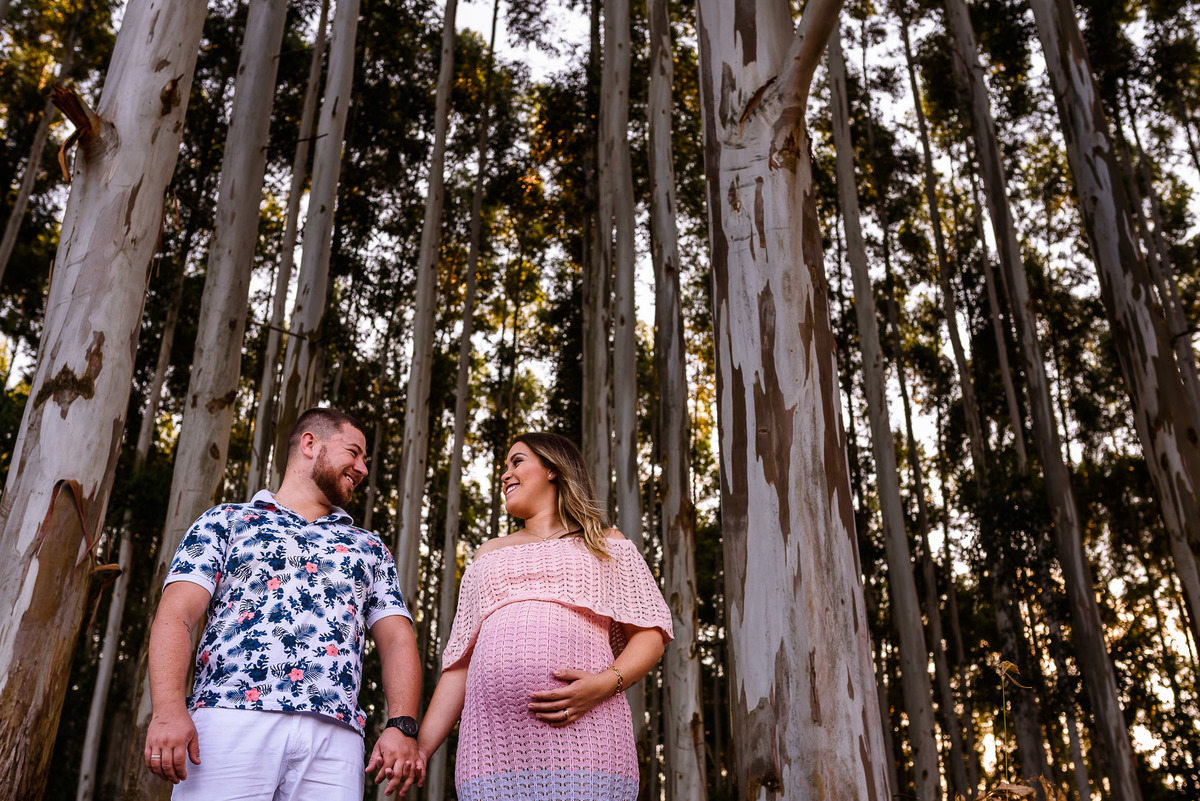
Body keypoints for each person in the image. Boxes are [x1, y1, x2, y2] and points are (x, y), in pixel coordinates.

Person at [144, 407, 422, 799]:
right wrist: (168, 711)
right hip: (229, 717)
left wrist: (402, 725)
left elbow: (397, 639)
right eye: (354, 452)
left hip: (336, 738)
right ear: (310, 444)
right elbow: (176, 615)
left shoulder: (369, 547)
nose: (362, 468)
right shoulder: (224, 521)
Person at [414, 432, 673, 799]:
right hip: (491, 753)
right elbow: (460, 664)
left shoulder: (607, 543)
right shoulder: (487, 554)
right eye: (504, 467)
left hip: (588, 743)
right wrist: (421, 750)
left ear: (553, 469)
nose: (505, 474)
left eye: (517, 462)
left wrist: (604, 685)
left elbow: (650, 635)